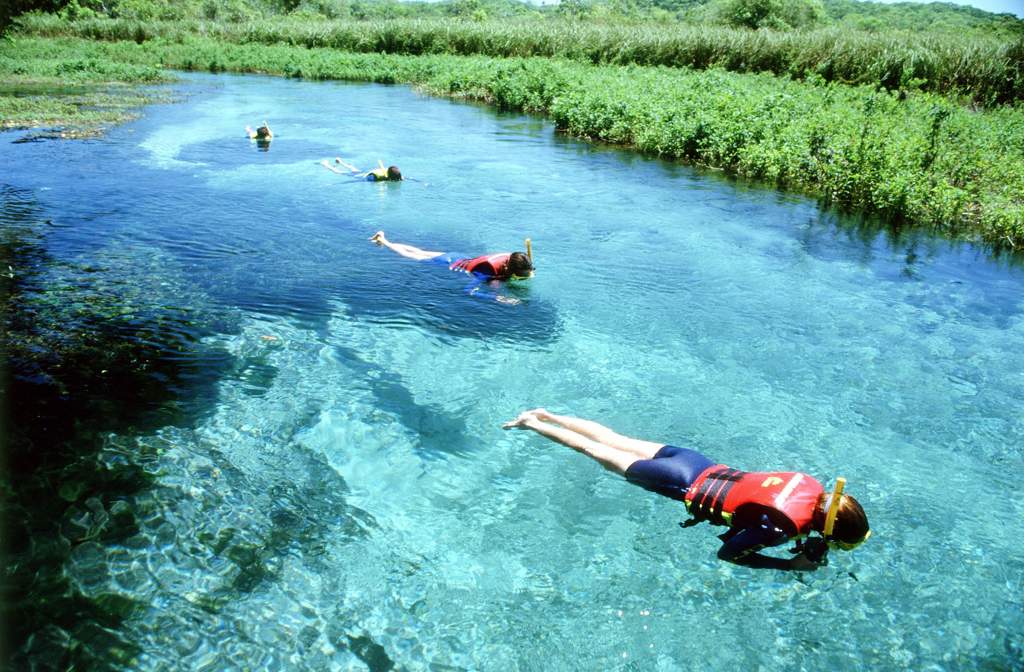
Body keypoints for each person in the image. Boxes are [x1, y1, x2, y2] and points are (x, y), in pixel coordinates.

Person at [502, 408, 870, 571]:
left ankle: (547, 413)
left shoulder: (807, 483)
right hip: (679, 483)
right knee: (594, 451)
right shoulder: (779, 529)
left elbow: (757, 504)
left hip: (696, 461)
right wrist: (790, 564)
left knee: (615, 438)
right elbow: (729, 554)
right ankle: (531, 423)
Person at [369, 231, 533, 303]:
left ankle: (385, 239)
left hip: (458, 255)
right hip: (451, 263)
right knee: (412, 256)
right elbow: (468, 291)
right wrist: (497, 298)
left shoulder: (512, 258)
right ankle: (383, 240)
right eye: (520, 276)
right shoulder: (487, 270)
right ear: (511, 271)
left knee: (421, 251)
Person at [322, 157, 402, 182]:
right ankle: (325, 164)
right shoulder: (397, 178)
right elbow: (367, 179)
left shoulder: (385, 177)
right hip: (362, 175)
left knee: (352, 169)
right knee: (339, 172)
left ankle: (340, 162)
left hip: (364, 173)